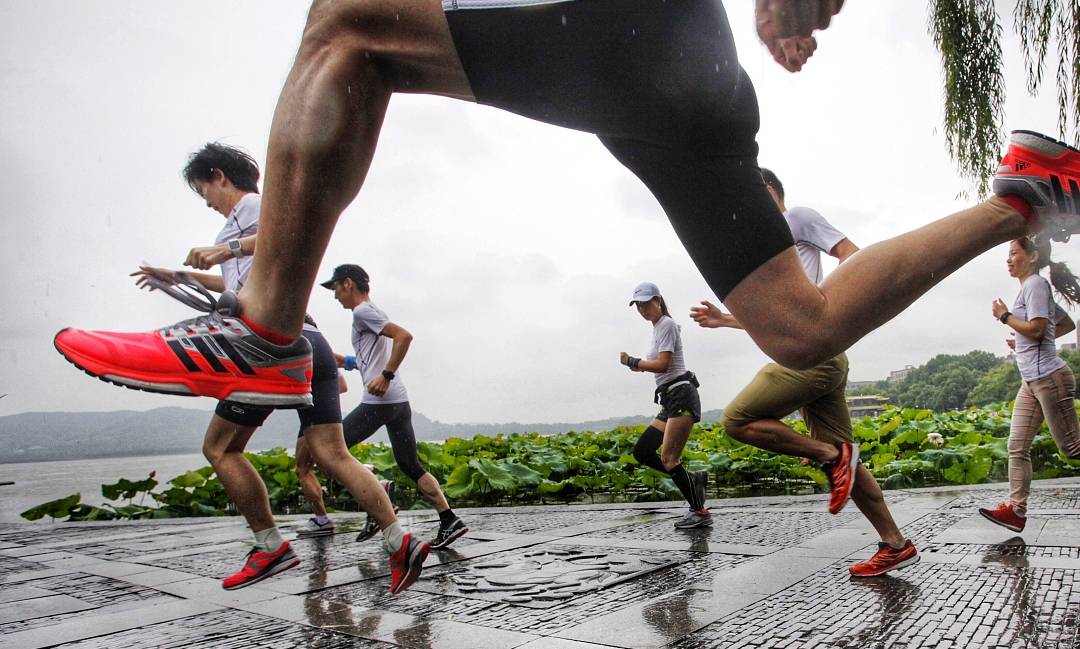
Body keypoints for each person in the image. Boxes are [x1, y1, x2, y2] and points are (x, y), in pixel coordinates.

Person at [56, 3, 1078, 418]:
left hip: (644, 33)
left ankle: (269, 332)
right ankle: (1024, 193)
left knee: (347, 26)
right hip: (679, 77)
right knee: (798, 325)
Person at [124, 143, 429, 593]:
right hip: (312, 343)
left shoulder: (250, 207)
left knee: (221, 448)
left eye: (203, 188)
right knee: (332, 453)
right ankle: (398, 540)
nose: (206, 199)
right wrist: (181, 275)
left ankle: (270, 546)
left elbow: (287, 231)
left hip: (267, 350)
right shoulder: (239, 228)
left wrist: (223, 250)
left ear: (218, 176)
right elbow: (240, 276)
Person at [691, 168, 919, 577]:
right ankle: (895, 543)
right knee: (850, 467)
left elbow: (857, 256)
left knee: (737, 420)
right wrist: (726, 319)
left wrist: (827, 310)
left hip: (812, 358)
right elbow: (780, 322)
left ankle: (832, 455)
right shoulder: (770, 248)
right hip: (823, 358)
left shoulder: (796, 217)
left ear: (769, 191)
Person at [323, 264, 468, 549]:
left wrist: (386, 375)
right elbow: (370, 354)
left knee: (330, 451)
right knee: (410, 465)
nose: (335, 295)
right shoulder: (369, 312)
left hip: (380, 401)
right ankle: (449, 519)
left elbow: (404, 336)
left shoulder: (363, 311)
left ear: (348, 283)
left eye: (335, 288)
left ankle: (379, 492)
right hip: (398, 402)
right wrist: (352, 363)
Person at [978, 236, 1080, 533]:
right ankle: (1016, 511)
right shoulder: (1031, 288)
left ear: (1033, 257)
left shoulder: (1035, 284)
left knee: (1073, 448)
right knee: (1017, 446)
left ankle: (1016, 510)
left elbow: (1037, 330)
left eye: (1013, 253)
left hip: (1050, 378)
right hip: (1031, 382)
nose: (1008, 260)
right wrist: (1020, 336)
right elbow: (1064, 325)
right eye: (1007, 255)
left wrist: (1005, 317)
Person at [621, 282, 710, 529]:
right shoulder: (658, 328)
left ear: (658, 300)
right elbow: (658, 367)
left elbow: (662, 365)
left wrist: (632, 361)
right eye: (638, 305)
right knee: (642, 451)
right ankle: (692, 480)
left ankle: (699, 511)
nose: (642, 309)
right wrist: (638, 365)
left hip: (682, 393)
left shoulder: (667, 325)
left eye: (646, 303)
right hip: (670, 397)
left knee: (669, 458)